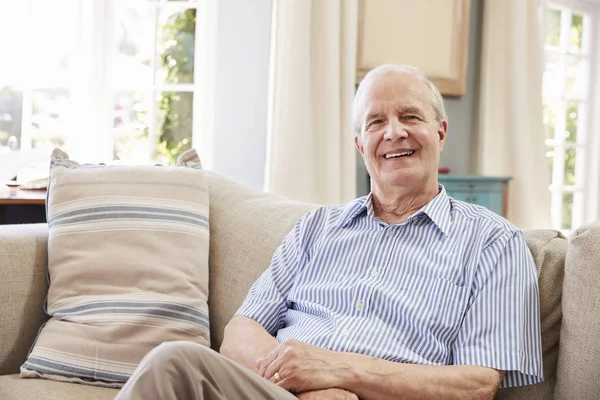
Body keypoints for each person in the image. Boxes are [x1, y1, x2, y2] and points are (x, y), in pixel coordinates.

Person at [116, 64, 543, 400]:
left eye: (410, 116)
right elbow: (240, 334)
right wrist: (309, 385)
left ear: (440, 132)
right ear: (361, 146)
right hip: (281, 391)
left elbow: (477, 385)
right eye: (376, 122)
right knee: (174, 363)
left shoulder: (493, 243)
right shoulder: (316, 229)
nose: (394, 131)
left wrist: (339, 371)